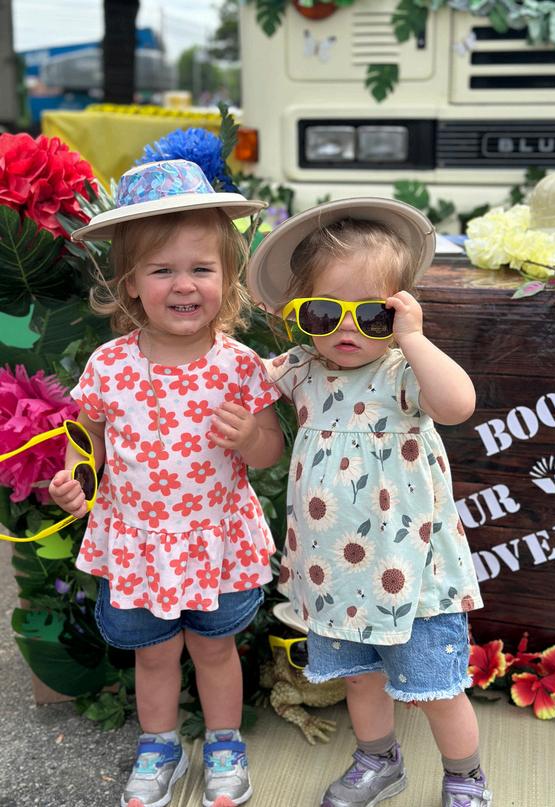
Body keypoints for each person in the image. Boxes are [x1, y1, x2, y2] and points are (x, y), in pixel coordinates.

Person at [49, 159, 284, 807]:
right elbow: (86, 439)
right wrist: (75, 479)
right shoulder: (110, 365)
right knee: (152, 655)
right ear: (129, 283)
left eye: (201, 269)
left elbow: (270, 451)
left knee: (214, 649)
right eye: (161, 271)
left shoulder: (238, 366)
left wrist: (250, 437)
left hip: (216, 542)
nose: (184, 285)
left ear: (227, 277)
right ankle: (160, 745)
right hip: (138, 543)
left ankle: (224, 741)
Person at [246, 199, 492, 807]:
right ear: (299, 313)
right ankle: (379, 760)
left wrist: (414, 340)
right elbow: (238, 388)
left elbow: (458, 405)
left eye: (374, 314)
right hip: (335, 574)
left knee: (437, 689)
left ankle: (465, 777)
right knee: (360, 681)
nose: (347, 330)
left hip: (411, 572)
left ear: (401, 311)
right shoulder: (301, 369)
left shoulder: (404, 372)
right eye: (324, 312)